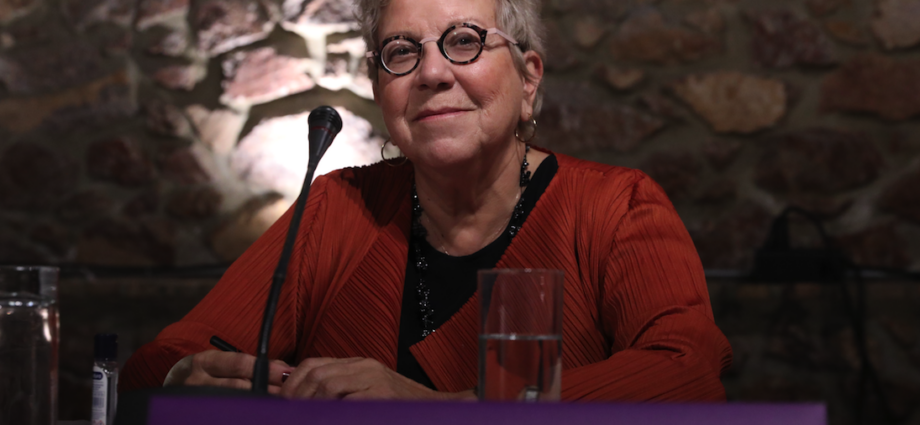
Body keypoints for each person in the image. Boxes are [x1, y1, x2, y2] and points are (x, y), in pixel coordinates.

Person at [120, 0, 732, 401]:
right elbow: (158, 362)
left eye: (465, 41)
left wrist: (443, 408)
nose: (432, 73)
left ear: (528, 79)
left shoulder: (617, 208)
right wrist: (182, 376)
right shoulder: (337, 209)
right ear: (379, 90)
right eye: (401, 52)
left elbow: (690, 374)